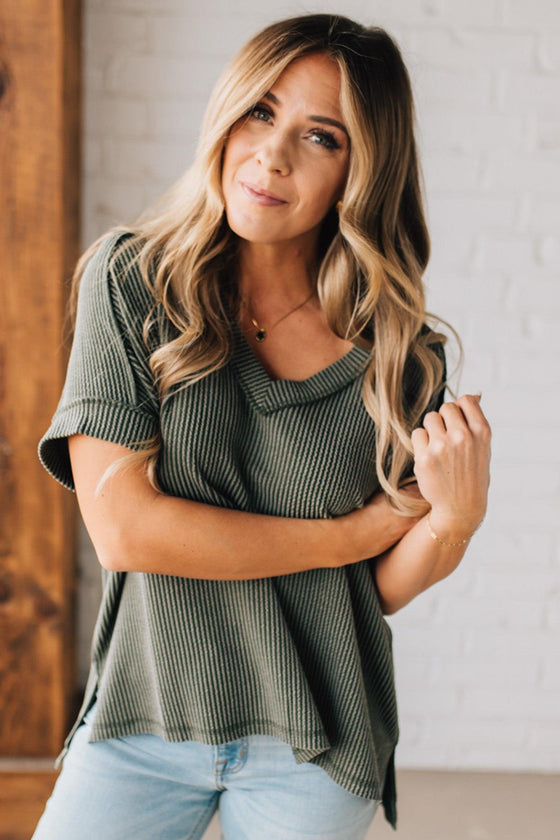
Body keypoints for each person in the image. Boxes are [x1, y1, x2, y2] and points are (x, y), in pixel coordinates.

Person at [32, 13, 491, 840]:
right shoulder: (132, 282)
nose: (272, 156)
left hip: (317, 738)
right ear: (227, 111)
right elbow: (127, 534)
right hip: (144, 719)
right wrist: (353, 532)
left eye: (321, 137)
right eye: (260, 112)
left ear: (361, 170)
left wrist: (454, 524)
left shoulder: (400, 353)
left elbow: (372, 591)